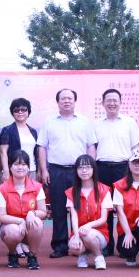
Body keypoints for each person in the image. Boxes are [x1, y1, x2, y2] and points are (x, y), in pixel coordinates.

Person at [37, 88, 97, 258]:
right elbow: (42, 147)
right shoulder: (49, 122)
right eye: (63, 98)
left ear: (75, 101)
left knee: (82, 208)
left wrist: (91, 169)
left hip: (80, 171)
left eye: (70, 98)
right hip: (56, 170)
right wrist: (44, 170)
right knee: (58, 209)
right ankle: (60, 245)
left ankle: (83, 242)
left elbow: (91, 146)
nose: (66, 101)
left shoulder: (84, 122)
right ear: (57, 102)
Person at [94, 89, 139, 258]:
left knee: (126, 207)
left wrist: (136, 170)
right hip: (101, 168)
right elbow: (92, 148)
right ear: (103, 103)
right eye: (108, 100)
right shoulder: (96, 124)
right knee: (105, 208)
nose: (112, 103)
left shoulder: (129, 122)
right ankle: (107, 244)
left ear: (121, 102)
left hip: (123, 168)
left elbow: (136, 148)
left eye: (115, 100)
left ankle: (127, 241)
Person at [0, 150, 47, 269]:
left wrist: (32, 213)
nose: (20, 167)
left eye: (24, 164)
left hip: (30, 228)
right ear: (10, 167)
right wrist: (20, 221)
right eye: (16, 164)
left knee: (37, 222)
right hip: (11, 226)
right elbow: (1, 216)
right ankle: (12, 254)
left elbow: (43, 211)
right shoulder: (2, 189)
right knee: (13, 231)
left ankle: (32, 256)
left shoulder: (37, 187)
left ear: (28, 168)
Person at [65, 155, 113, 270]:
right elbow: (74, 217)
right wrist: (76, 236)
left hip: (99, 233)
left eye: (87, 167)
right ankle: (83, 255)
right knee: (74, 247)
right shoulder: (71, 192)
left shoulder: (104, 190)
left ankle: (98, 256)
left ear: (93, 169)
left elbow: (103, 219)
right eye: (80, 167)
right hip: (79, 232)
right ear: (76, 171)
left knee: (88, 234)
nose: (84, 170)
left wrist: (89, 225)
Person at [0, 97, 38, 181]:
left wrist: (39, 170)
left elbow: (36, 153)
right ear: (12, 113)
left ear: (28, 112)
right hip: (14, 170)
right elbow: (3, 152)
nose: (20, 112)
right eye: (16, 110)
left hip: (32, 170)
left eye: (23, 109)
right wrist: (6, 171)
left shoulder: (33, 131)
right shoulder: (7, 130)